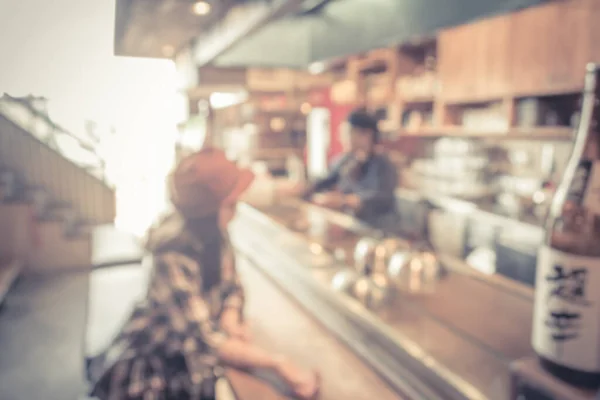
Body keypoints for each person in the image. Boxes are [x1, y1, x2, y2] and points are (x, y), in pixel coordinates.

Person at [89, 148, 320, 400]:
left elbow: (232, 285)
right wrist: (277, 362)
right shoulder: (172, 255)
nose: (236, 211)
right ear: (208, 213)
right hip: (160, 363)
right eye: (231, 204)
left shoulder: (216, 234)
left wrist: (230, 317)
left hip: (197, 354)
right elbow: (206, 339)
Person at [302, 109, 398, 228]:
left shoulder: (382, 163)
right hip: (352, 225)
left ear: (366, 134)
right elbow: (326, 179)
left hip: (377, 229)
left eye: (348, 133)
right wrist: (303, 187)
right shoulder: (347, 159)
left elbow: (382, 198)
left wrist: (344, 201)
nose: (342, 138)